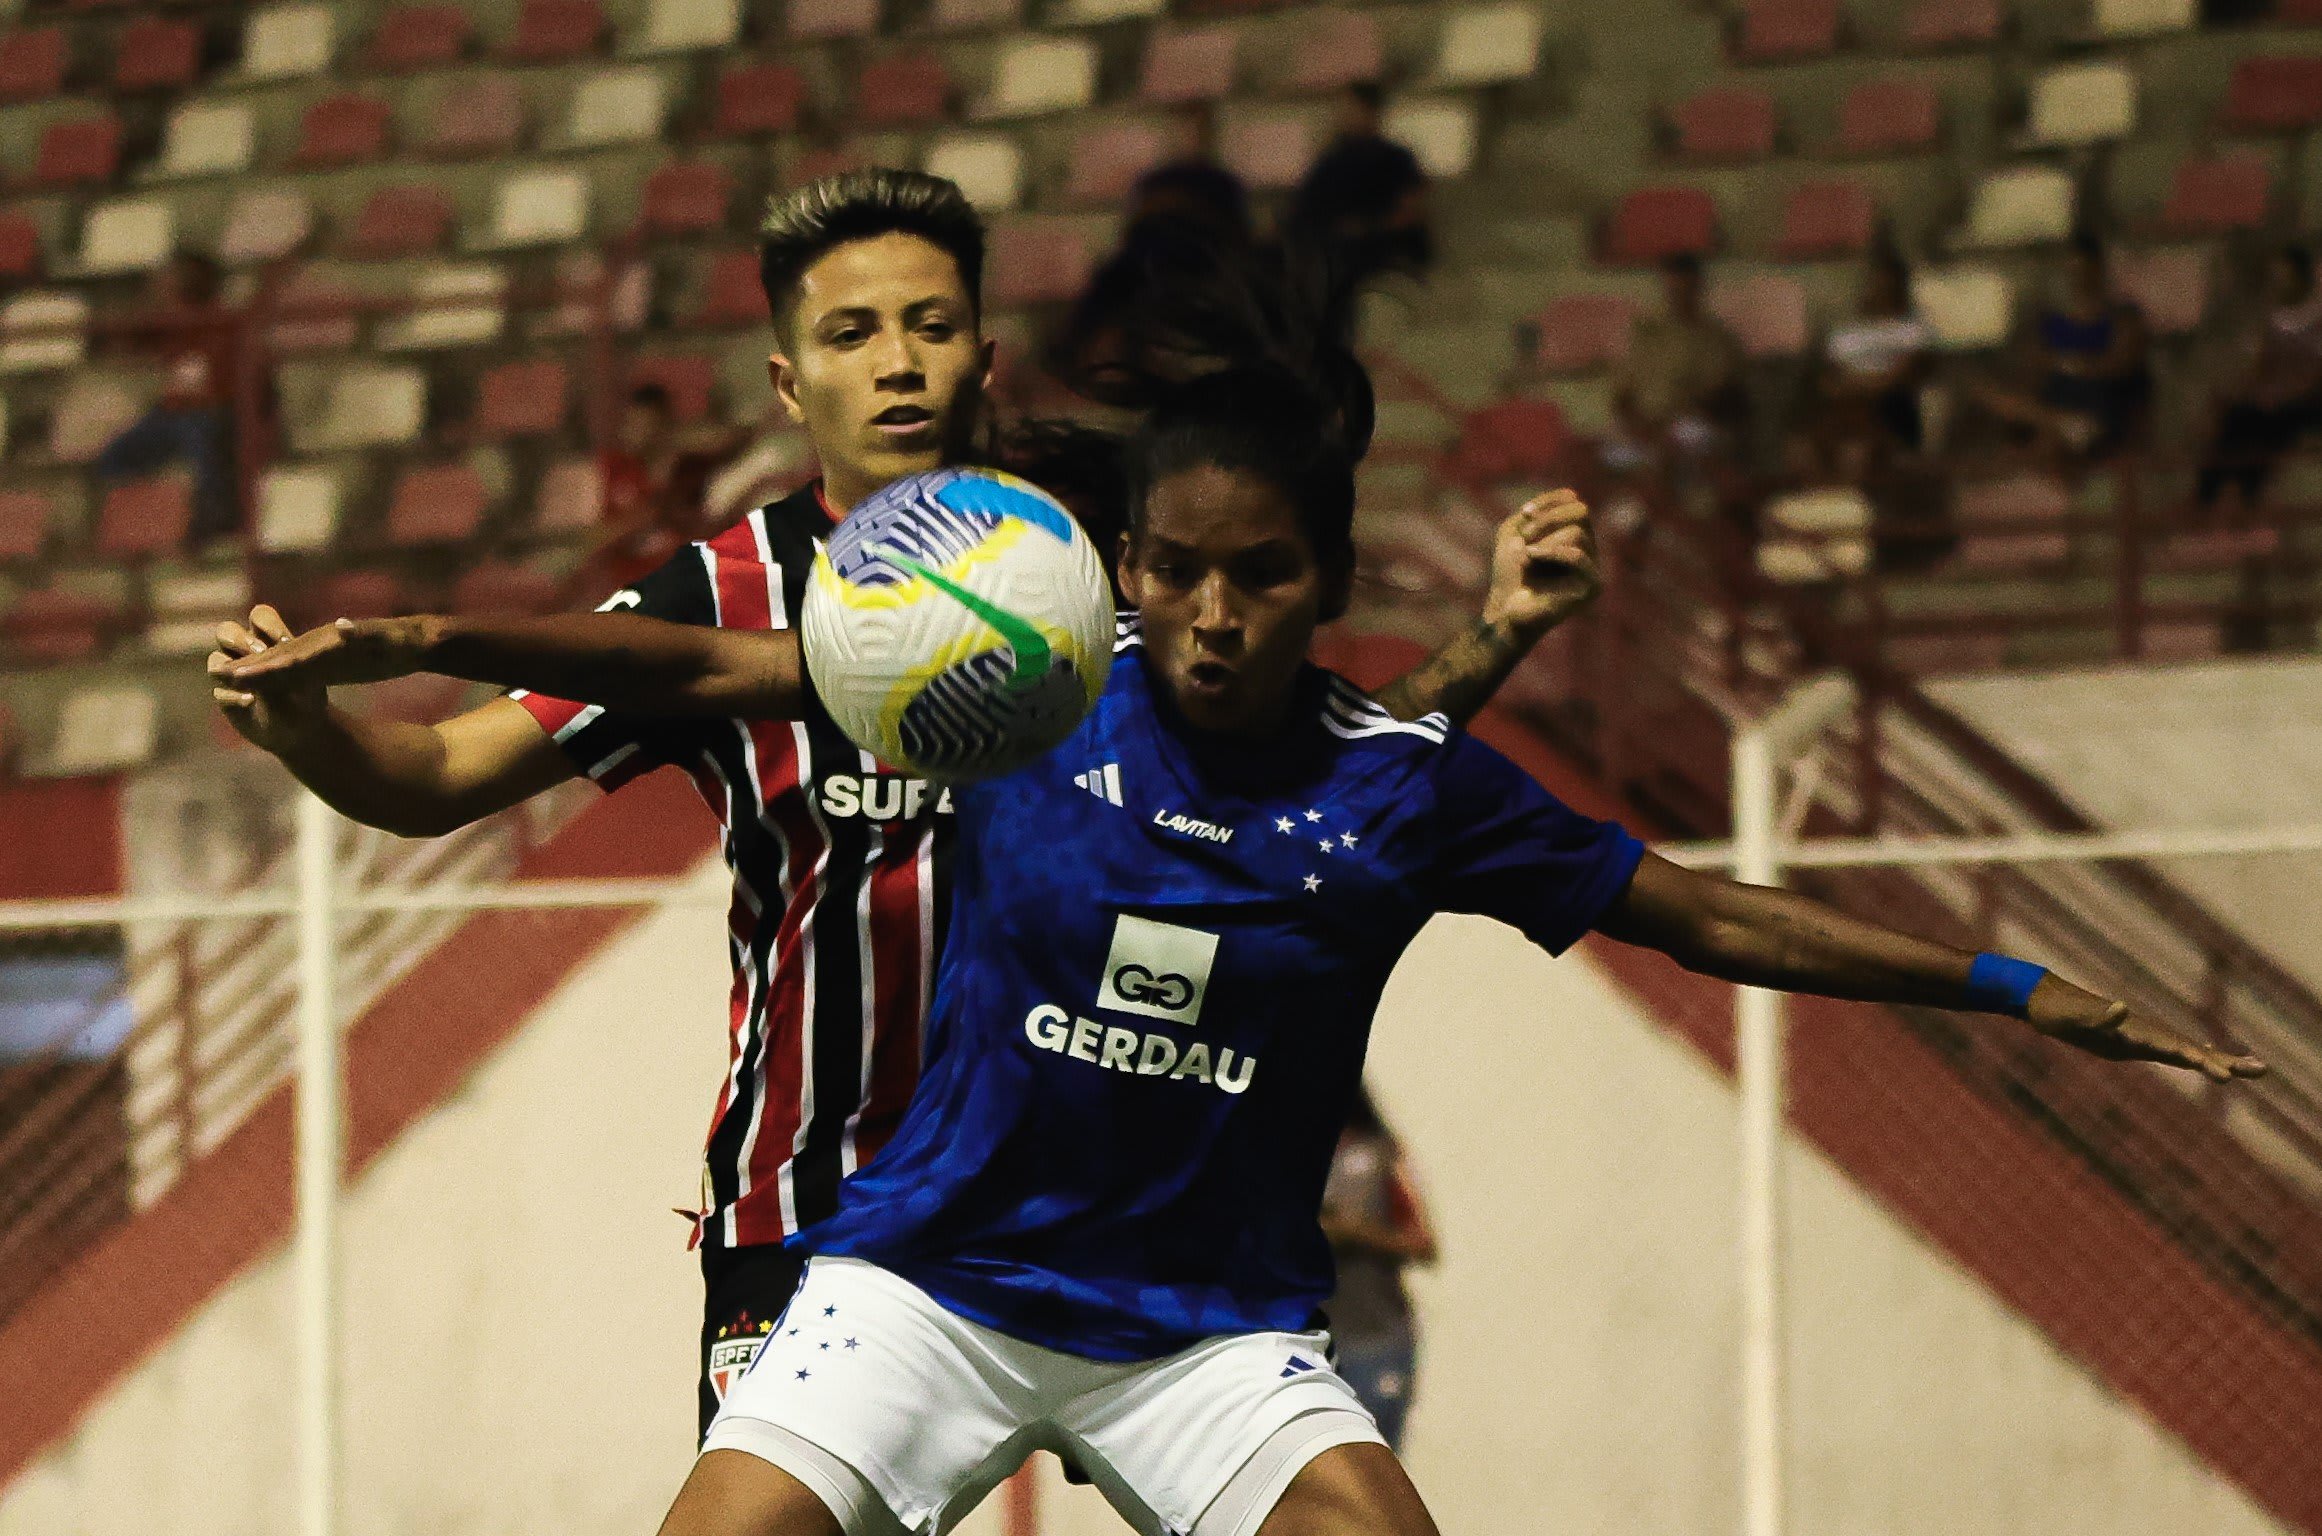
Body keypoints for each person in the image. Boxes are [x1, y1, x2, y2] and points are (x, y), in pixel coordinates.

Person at [221, 346, 2263, 1536]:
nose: (1206, 611)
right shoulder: (1017, 691)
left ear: (1328, 580)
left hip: (1207, 1332)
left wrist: (2023, 989)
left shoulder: (1412, 784)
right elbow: (709, 656)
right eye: (1173, 571)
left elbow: (1706, 910)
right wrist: (426, 636)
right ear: (1125, 572)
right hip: (925, 1285)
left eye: (1256, 577)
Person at [203, 169, 1601, 1449]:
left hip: (1090, 1215)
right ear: (785, 381)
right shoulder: (719, 600)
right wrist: (308, 731)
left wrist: (1492, 639)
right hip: (807, 1211)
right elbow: (435, 780)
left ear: (982, 355)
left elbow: (1323, 759)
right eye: (851, 334)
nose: (895, 364)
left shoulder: (1095, 558)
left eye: (928, 325)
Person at [1319, 1085, 1436, 1453]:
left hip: (1375, 1341)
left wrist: (1352, 1231)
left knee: (1373, 1464)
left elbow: (1423, 1242)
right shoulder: (1283, 1154)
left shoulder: (1379, 1155)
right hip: (1309, 1344)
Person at [97, 252, 243, 547]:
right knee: (114, 456)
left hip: (212, 414)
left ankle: (214, 525)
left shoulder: (224, 322)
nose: (163, 283)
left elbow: (227, 386)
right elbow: (121, 338)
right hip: (170, 414)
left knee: (204, 442)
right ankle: (134, 524)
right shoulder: (167, 321)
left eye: (171, 276)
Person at [1973, 232, 2150, 463]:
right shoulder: (2050, 320)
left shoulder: (2121, 316)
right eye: (2071, 269)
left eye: (2082, 268)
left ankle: (2056, 436)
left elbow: (2120, 364)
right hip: (2054, 403)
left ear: (2097, 268)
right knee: (1986, 392)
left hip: (2098, 403)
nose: (2076, 276)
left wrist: (2068, 365)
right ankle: (2058, 425)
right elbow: (2034, 365)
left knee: (2055, 440)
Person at [1285, 83, 1433, 343]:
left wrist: (1369, 227)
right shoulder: (1332, 161)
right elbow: (1306, 208)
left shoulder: (1395, 158)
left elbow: (1410, 210)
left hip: (1378, 244)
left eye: (1353, 109)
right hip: (1331, 243)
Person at [2197, 243, 2322, 516]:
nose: (2278, 284)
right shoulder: (2272, 322)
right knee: (2235, 418)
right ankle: (2209, 496)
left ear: (2302, 279)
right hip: (2272, 400)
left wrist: (2282, 395)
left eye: (2284, 277)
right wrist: (2240, 393)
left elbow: (2314, 376)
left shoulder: (2316, 322)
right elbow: (2259, 370)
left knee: (2260, 423)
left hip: (2306, 403)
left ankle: (2240, 495)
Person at [1606, 253, 1747, 477]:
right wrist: (1639, 428)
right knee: (1604, 455)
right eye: (1672, 290)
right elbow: (1622, 395)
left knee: (1692, 438)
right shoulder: (1646, 333)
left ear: (1698, 289)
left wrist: (1666, 429)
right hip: (1644, 428)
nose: (1678, 297)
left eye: (1685, 290)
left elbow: (1716, 400)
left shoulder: (1716, 339)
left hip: (1688, 426)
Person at [1803, 246, 1931, 483]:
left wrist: (1862, 387)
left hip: (1888, 399)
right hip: (1845, 400)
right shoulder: (1847, 331)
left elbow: (1906, 372)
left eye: (1882, 282)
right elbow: (1830, 373)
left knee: (1886, 408)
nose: (1875, 288)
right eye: (1872, 282)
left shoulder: (1910, 330)